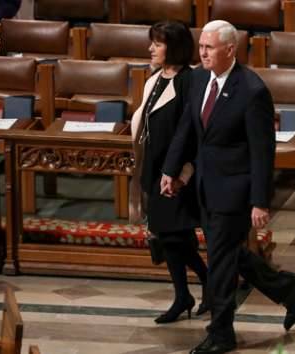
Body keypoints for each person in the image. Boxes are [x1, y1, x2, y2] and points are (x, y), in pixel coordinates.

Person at [161, 20, 295, 354]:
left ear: (230, 49)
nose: (202, 53)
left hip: (234, 190)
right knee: (228, 254)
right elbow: (187, 128)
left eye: (209, 48)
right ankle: (285, 287)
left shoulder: (252, 91)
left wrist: (260, 201)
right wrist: (171, 170)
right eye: (201, 47)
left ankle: (221, 332)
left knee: (222, 262)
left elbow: (262, 152)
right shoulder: (198, 78)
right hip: (203, 186)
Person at [129, 20, 209, 324]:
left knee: (172, 236)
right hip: (154, 168)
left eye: (158, 44)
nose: (151, 48)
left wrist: (181, 173)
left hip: (176, 174)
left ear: (173, 47)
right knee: (171, 237)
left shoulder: (188, 81)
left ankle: (205, 281)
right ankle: (183, 295)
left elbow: (190, 133)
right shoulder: (156, 78)